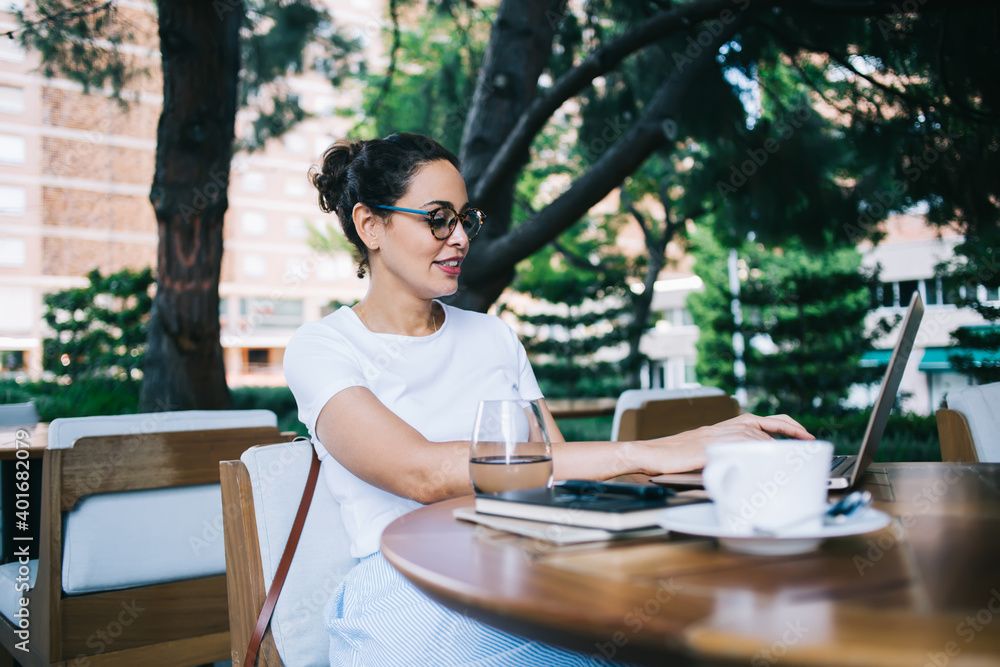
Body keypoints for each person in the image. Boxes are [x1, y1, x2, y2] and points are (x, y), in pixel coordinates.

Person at [284, 132, 812, 666]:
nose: (460, 238)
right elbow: (423, 475)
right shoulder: (322, 347)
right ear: (370, 225)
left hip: (527, 561)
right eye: (438, 219)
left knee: (705, 630)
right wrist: (648, 450)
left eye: (465, 219)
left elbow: (560, 472)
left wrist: (711, 476)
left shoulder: (493, 336)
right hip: (406, 588)